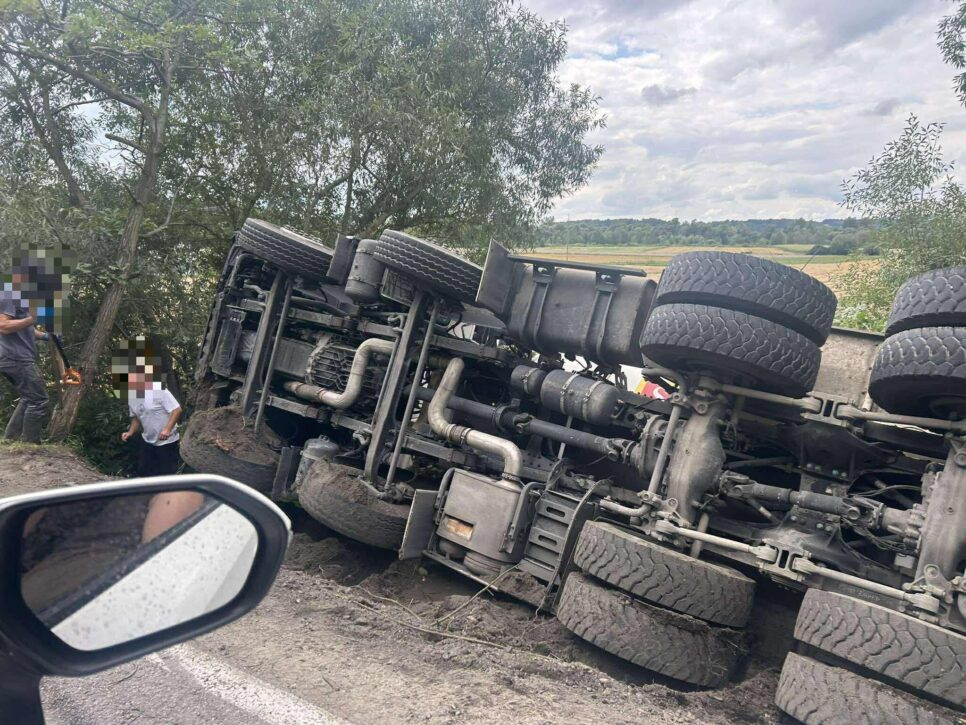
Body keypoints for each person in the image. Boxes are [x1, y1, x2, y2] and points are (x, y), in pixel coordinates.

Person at [0, 256, 59, 444]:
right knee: (39, 400)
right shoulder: (8, 295)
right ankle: (31, 445)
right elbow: (3, 326)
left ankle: (10, 440)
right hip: (15, 357)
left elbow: (25, 328)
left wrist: (45, 336)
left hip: (15, 357)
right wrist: (33, 318)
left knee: (28, 397)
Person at [121, 365, 183, 476]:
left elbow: (177, 410)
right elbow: (136, 418)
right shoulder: (132, 398)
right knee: (144, 472)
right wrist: (130, 432)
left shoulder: (160, 391)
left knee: (166, 475)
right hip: (148, 440)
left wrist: (167, 429)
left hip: (167, 441)